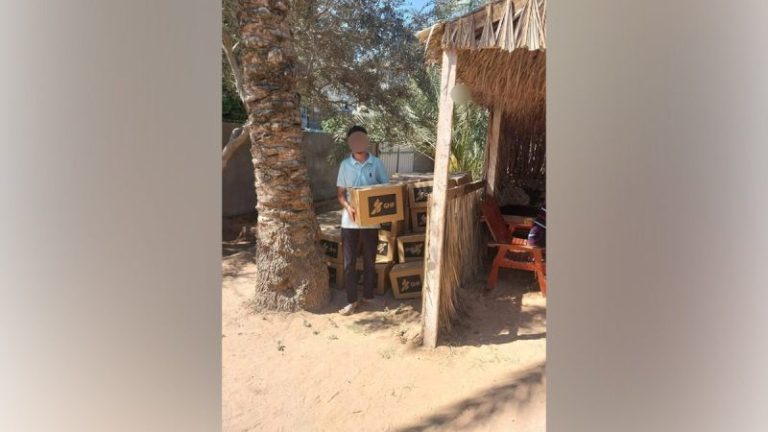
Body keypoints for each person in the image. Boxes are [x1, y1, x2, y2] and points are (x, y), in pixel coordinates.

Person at [335, 125, 389, 315]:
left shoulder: (377, 163)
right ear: (350, 143)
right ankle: (351, 301)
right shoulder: (344, 165)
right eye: (354, 139)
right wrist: (348, 207)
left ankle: (368, 296)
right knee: (349, 263)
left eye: (361, 139)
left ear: (366, 141)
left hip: (371, 222)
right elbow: (340, 193)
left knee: (369, 260)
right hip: (349, 222)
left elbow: (386, 189)